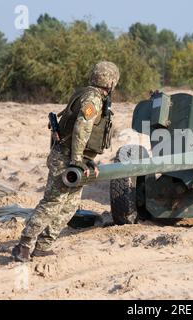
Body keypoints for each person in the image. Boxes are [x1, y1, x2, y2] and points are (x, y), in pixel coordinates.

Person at [12, 61, 120, 262]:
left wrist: (85, 160)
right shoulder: (93, 99)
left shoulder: (92, 96)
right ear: (111, 82)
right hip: (66, 158)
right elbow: (82, 128)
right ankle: (24, 245)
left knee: (70, 206)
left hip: (76, 157)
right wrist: (77, 159)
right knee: (53, 202)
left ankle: (43, 245)